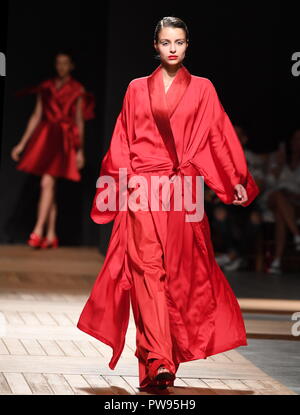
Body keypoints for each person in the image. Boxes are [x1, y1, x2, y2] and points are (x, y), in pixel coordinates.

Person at [77, 16, 259, 391]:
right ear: (155, 46)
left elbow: (217, 137)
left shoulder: (203, 89)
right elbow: (121, 142)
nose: (172, 48)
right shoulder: (135, 89)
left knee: (177, 278)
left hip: (183, 193)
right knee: (146, 273)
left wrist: (234, 180)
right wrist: (116, 190)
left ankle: (158, 363)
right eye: (165, 42)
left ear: (187, 45)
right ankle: (159, 357)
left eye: (178, 41)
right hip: (143, 190)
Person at [11, 51, 95, 249]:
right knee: (49, 185)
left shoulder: (77, 89)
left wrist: (80, 151)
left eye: (65, 63)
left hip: (63, 140)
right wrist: (22, 144)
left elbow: (79, 122)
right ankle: (51, 234)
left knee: (47, 182)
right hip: (46, 136)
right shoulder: (46, 87)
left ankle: (38, 230)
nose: (61, 67)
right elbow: (36, 115)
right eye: (58, 63)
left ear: (71, 66)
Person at [266, 130, 300, 274]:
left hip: (295, 202)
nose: (297, 143)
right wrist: (279, 166)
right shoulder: (278, 157)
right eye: (296, 139)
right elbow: (269, 182)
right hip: (273, 197)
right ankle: (297, 234)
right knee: (279, 195)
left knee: (281, 214)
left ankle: (277, 261)